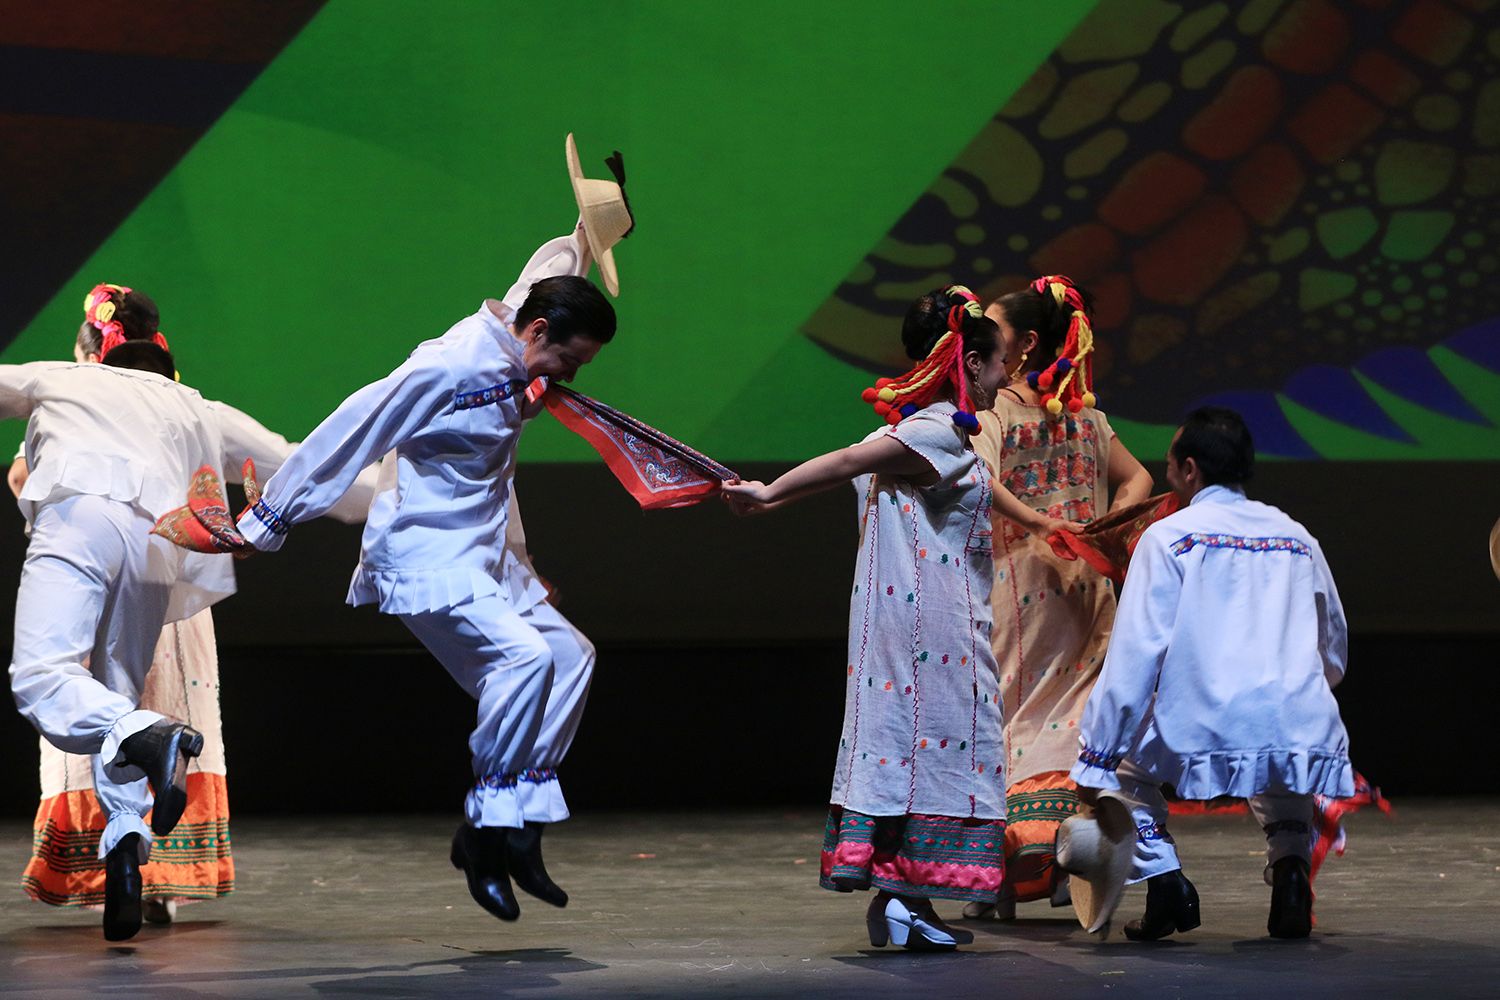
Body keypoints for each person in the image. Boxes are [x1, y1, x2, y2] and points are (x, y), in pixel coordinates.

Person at [230, 223, 615, 924]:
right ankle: (485, 830)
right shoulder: (449, 367)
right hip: (425, 552)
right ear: (535, 332)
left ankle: (522, 825)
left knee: (570, 656)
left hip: (484, 552)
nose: (569, 376)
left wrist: (587, 233)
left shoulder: (524, 328)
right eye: (567, 358)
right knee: (524, 660)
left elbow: (548, 270)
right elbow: (354, 428)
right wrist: (268, 520)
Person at [10, 285, 374, 923]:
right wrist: (389, 494)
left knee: (44, 677)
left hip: (80, 524)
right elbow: (296, 464)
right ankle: (127, 837)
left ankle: (149, 737)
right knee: (117, 695)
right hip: (158, 547)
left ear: (94, 351)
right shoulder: (197, 406)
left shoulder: (64, 379)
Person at [724, 285, 1011, 951]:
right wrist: (769, 494)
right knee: (937, 743)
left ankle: (905, 900)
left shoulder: (923, 430)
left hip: (922, 619)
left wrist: (771, 497)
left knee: (919, 744)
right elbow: (851, 462)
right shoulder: (933, 430)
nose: (1005, 377)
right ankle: (904, 896)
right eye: (1000, 363)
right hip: (931, 626)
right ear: (970, 364)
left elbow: (856, 463)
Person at [1069, 406, 1353, 941]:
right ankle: (1291, 871)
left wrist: (1097, 754)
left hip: (1206, 715)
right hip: (1295, 711)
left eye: (1170, 460)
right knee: (1280, 757)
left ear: (1189, 469)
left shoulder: (1169, 537)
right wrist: (1299, 692)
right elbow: (1332, 645)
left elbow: (1136, 654)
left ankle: (1166, 883)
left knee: (1121, 770)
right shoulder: (1296, 537)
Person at [964, 275, 1152, 918]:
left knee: (1013, 715)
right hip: (1086, 582)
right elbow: (1138, 478)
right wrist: (1104, 527)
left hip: (1022, 584)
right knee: (1075, 718)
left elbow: (979, 478)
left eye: (994, 330)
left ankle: (1013, 866)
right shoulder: (1087, 416)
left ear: (1026, 343)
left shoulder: (995, 412)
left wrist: (1038, 522)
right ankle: (1058, 850)